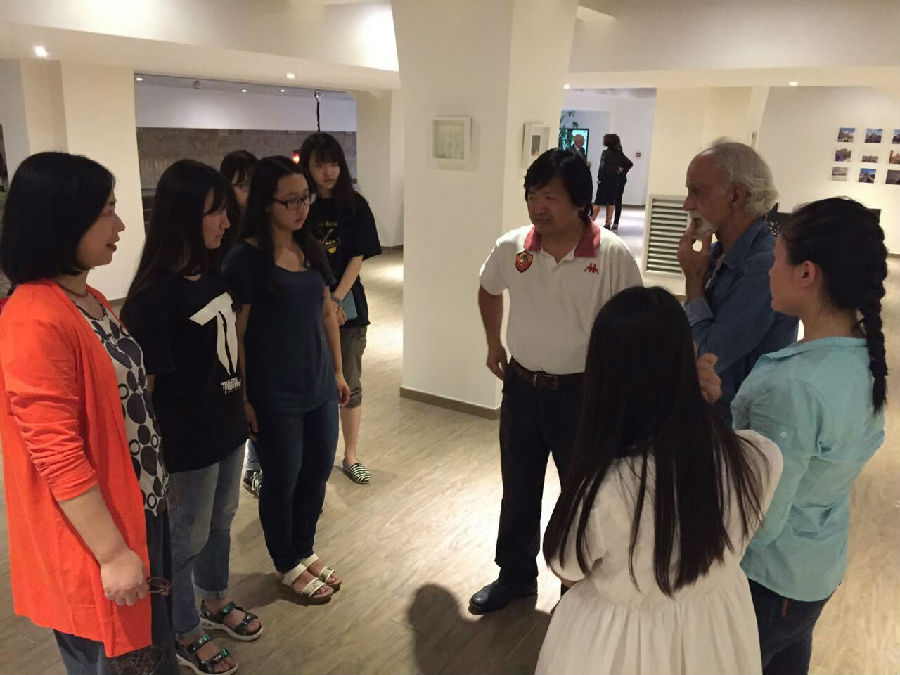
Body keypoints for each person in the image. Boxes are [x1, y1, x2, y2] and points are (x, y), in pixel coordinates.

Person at [536, 286, 782, 674]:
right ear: (688, 360)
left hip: (618, 646)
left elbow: (566, 568)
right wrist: (702, 407)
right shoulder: (758, 457)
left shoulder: (605, 490)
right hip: (714, 633)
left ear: (604, 378)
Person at [0, 152, 176, 674]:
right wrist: (112, 553)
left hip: (138, 506)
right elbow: (55, 451)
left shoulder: (86, 297)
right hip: (97, 533)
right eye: (106, 211)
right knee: (118, 659)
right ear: (61, 218)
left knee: (151, 653)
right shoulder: (34, 316)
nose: (120, 225)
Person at [470, 148, 642, 615]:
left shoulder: (611, 254)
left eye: (550, 196)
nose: (538, 206)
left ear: (580, 201)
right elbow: (488, 288)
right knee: (518, 488)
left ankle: (577, 588)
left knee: (582, 494)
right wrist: (493, 343)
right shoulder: (513, 247)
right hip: (522, 387)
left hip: (583, 394)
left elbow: (633, 324)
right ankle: (515, 576)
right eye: (532, 195)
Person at [732, 198, 887, 675]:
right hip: (813, 568)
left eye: (777, 259)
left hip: (767, 579)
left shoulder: (794, 387)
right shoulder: (858, 358)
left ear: (806, 273)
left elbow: (760, 517)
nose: (769, 270)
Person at [122, 160, 262, 675]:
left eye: (226, 210)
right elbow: (147, 392)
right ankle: (184, 630)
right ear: (182, 216)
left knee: (221, 522)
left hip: (226, 427)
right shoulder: (153, 296)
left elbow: (230, 351)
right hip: (185, 443)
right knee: (184, 539)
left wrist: (243, 401)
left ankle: (215, 598)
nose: (226, 221)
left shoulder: (214, 270)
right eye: (214, 212)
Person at [223, 156, 350, 603]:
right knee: (283, 479)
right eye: (290, 201)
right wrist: (244, 397)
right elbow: (237, 334)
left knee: (317, 472)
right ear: (266, 203)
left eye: (305, 198)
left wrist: (338, 371)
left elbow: (327, 313)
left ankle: (304, 548)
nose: (301, 208)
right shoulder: (245, 260)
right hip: (275, 393)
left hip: (318, 384)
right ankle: (285, 561)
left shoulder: (309, 248)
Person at [676, 140, 798, 422]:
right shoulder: (718, 254)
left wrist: (693, 282)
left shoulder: (763, 267)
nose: (687, 204)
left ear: (736, 196)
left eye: (697, 192)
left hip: (737, 424)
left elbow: (707, 358)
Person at [299, 132, 382, 485]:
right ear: (308, 168)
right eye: (320, 165)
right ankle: (311, 456)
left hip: (347, 302)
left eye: (333, 163)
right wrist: (321, 302)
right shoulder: (300, 206)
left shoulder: (355, 205)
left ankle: (350, 456)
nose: (328, 171)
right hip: (306, 303)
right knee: (309, 382)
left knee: (349, 379)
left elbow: (357, 257)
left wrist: (334, 301)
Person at [220, 150, 264, 498]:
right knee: (245, 396)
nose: (248, 193)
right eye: (241, 185)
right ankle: (252, 467)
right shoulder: (223, 231)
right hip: (230, 326)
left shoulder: (263, 226)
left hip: (261, 325)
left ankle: (255, 464)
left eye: (253, 184)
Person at [591, 133, 632, 229]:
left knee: (598, 202)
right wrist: (621, 170)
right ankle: (607, 223)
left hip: (605, 179)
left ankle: (590, 222)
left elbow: (602, 167)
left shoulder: (605, 153)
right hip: (615, 180)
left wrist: (599, 179)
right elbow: (629, 163)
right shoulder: (619, 153)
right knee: (611, 201)